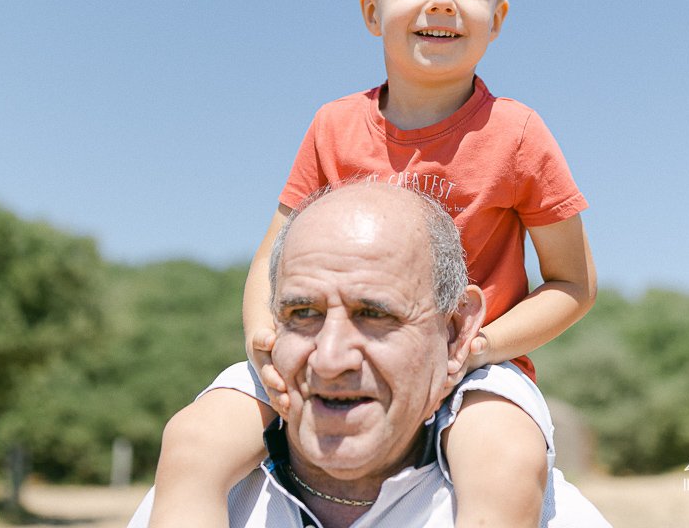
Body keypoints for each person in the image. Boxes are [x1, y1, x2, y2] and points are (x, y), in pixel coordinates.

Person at [150, 0, 596, 527]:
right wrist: (265, 340)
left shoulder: (518, 134)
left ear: (497, 18)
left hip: (475, 370)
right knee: (193, 440)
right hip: (325, 349)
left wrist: (476, 348)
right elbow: (271, 258)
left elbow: (573, 284)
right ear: (371, 10)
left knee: (504, 461)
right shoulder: (333, 126)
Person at [130, 183, 609, 527]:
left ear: (455, 332)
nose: (330, 358)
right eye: (302, 312)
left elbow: (574, 282)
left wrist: (485, 349)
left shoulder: (550, 515)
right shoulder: (188, 503)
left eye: (374, 314)